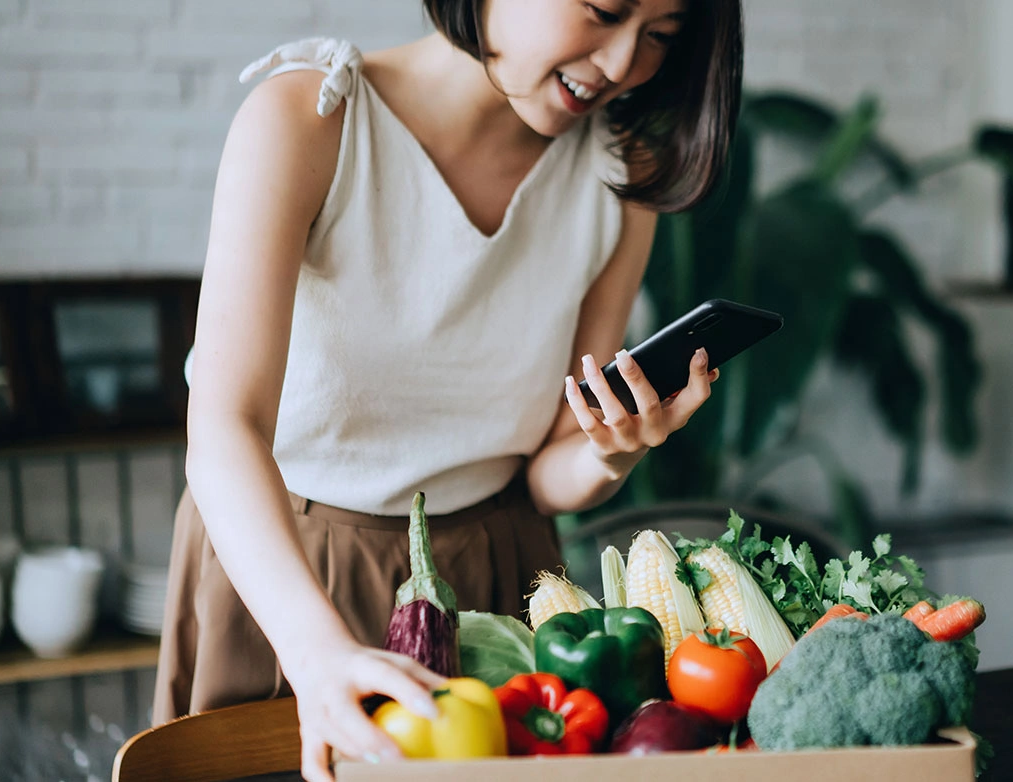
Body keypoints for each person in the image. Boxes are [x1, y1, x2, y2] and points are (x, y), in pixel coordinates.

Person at [151, 0, 743, 779]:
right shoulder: (310, 118)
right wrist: (316, 651)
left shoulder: (617, 175)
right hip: (289, 574)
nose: (623, 62)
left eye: (662, 36)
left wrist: (610, 451)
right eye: (603, 9)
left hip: (497, 575)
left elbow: (545, 469)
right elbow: (224, 427)